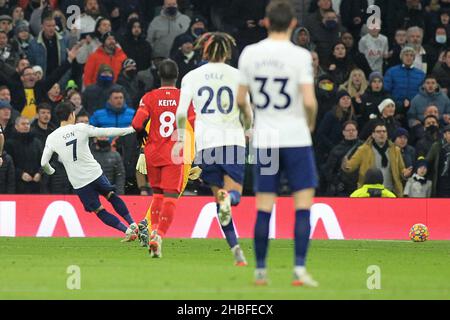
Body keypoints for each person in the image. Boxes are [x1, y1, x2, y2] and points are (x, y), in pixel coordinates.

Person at [237, 0, 319, 286]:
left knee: (264, 206)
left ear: (266, 22)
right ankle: (298, 270)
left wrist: (250, 120)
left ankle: (260, 271)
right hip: (296, 138)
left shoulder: (249, 53)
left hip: (266, 138)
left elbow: (240, 100)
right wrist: (309, 122)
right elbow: (309, 100)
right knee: (302, 205)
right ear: (294, 24)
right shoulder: (300, 56)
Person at [176, 32, 250, 267]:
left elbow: (180, 113)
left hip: (206, 144)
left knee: (219, 199)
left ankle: (236, 248)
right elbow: (246, 109)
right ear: (227, 52)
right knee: (232, 195)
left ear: (204, 51)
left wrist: (180, 140)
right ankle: (232, 199)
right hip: (232, 140)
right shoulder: (238, 76)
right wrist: (248, 127)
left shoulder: (191, 76)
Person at [41, 101, 139, 241]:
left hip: (79, 182)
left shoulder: (52, 138)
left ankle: (127, 231)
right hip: (95, 173)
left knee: (99, 210)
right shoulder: (80, 128)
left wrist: (50, 171)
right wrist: (131, 129)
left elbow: (44, 162)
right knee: (111, 195)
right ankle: (133, 223)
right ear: (71, 115)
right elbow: (106, 131)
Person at [132, 59, 197, 256]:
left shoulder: (149, 97)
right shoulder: (184, 98)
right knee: (171, 197)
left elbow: (136, 123)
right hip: (175, 154)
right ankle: (158, 235)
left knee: (158, 196)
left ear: (158, 75)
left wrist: (140, 136)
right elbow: (193, 124)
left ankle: (149, 228)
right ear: (177, 76)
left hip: (153, 153)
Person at [342, 122, 412, 197]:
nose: (382, 134)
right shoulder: (363, 150)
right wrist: (346, 165)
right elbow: (350, 167)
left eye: (384, 131)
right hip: (369, 193)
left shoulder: (395, 150)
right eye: (378, 132)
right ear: (373, 134)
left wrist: (405, 174)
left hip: (390, 192)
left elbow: (401, 169)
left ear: (387, 134)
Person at [426, 124, 450, 197]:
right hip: (441, 184)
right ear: (444, 135)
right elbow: (427, 162)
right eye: (449, 133)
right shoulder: (437, 146)